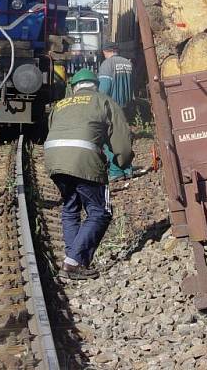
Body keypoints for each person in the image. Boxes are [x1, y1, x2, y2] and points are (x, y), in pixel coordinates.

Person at [45, 68, 133, 280]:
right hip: (84, 159)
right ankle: (73, 262)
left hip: (54, 159)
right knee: (100, 211)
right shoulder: (103, 101)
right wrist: (122, 162)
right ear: (96, 86)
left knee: (70, 207)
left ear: (74, 87)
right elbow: (121, 139)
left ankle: (73, 257)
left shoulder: (61, 104)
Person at [98, 42, 134, 181]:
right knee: (125, 139)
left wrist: (100, 104)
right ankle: (127, 168)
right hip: (126, 106)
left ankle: (116, 171)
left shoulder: (107, 65)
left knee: (110, 140)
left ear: (105, 51)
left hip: (112, 108)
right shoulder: (127, 63)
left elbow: (104, 89)